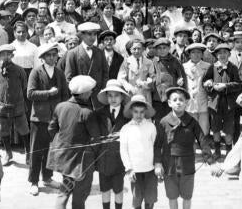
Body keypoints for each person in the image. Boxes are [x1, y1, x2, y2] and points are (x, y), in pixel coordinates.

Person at [47, 75, 101, 209]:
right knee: (80, 195)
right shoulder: (87, 113)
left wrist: (64, 143)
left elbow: (51, 129)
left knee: (64, 191)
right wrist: (93, 155)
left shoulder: (60, 106)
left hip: (65, 158)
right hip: (82, 161)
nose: (91, 93)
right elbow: (96, 139)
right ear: (83, 94)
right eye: (89, 91)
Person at [158, 86, 214, 209]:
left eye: (181, 100)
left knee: (187, 197)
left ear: (186, 103)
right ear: (169, 103)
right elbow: (157, 145)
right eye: (175, 100)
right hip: (169, 166)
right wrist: (157, 164)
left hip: (187, 165)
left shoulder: (192, 121)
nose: (178, 102)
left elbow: (202, 140)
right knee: (172, 197)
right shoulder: (163, 122)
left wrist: (210, 160)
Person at [27, 42, 68, 196]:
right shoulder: (36, 72)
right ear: (43, 58)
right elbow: (30, 94)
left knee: (51, 150)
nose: (52, 58)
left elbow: (65, 94)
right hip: (38, 118)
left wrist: (63, 113)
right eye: (49, 55)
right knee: (36, 151)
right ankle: (33, 181)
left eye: (54, 54)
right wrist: (48, 93)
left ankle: (47, 177)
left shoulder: (59, 73)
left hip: (54, 119)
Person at [0, 43, 30, 165]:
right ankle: (8, 153)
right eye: (2, 55)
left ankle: (28, 153)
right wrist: (0, 102)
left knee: (24, 130)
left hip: (18, 106)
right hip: (2, 108)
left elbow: (24, 86)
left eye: (8, 54)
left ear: (12, 55)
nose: (5, 57)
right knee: (4, 131)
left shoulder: (19, 70)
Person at [119, 94, 162, 209]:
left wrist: (157, 164)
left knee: (150, 199)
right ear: (131, 112)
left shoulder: (151, 127)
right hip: (135, 170)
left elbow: (155, 146)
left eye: (142, 112)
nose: (139, 115)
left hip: (150, 169)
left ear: (145, 112)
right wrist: (129, 168)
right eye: (136, 111)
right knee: (137, 199)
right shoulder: (126, 129)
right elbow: (123, 150)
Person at [95, 79, 130, 209]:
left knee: (118, 189)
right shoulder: (99, 113)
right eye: (110, 95)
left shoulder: (127, 114)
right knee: (104, 189)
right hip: (103, 158)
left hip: (120, 159)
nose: (113, 99)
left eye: (116, 95)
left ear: (122, 97)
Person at [202, 43, 241, 159]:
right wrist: (210, 85)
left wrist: (226, 86)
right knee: (216, 128)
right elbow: (205, 82)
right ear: (216, 55)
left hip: (229, 104)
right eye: (219, 53)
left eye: (225, 52)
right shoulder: (212, 67)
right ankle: (217, 151)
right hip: (215, 103)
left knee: (229, 130)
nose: (222, 55)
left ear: (229, 54)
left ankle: (229, 152)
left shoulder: (233, 67)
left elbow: (239, 84)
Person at [64, 22, 108, 110]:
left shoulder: (99, 52)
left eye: (95, 34)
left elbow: (105, 73)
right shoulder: (73, 53)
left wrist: (102, 90)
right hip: (81, 99)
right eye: (89, 34)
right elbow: (68, 78)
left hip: (97, 99)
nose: (93, 37)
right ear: (82, 35)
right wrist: (79, 94)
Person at [148, 38, 187, 120]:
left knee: (173, 120)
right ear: (156, 50)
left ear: (169, 48)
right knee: (159, 121)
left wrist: (180, 81)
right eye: (159, 48)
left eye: (164, 48)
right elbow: (151, 75)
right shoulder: (154, 61)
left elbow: (182, 76)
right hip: (157, 96)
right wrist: (152, 80)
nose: (162, 50)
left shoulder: (175, 61)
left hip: (171, 96)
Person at [183, 42, 210, 134]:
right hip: (189, 100)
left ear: (202, 54)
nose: (196, 55)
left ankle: (204, 144)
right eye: (193, 52)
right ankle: (192, 144)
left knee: (204, 126)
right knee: (190, 125)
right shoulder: (184, 67)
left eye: (199, 52)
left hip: (202, 99)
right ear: (189, 54)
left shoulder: (207, 66)